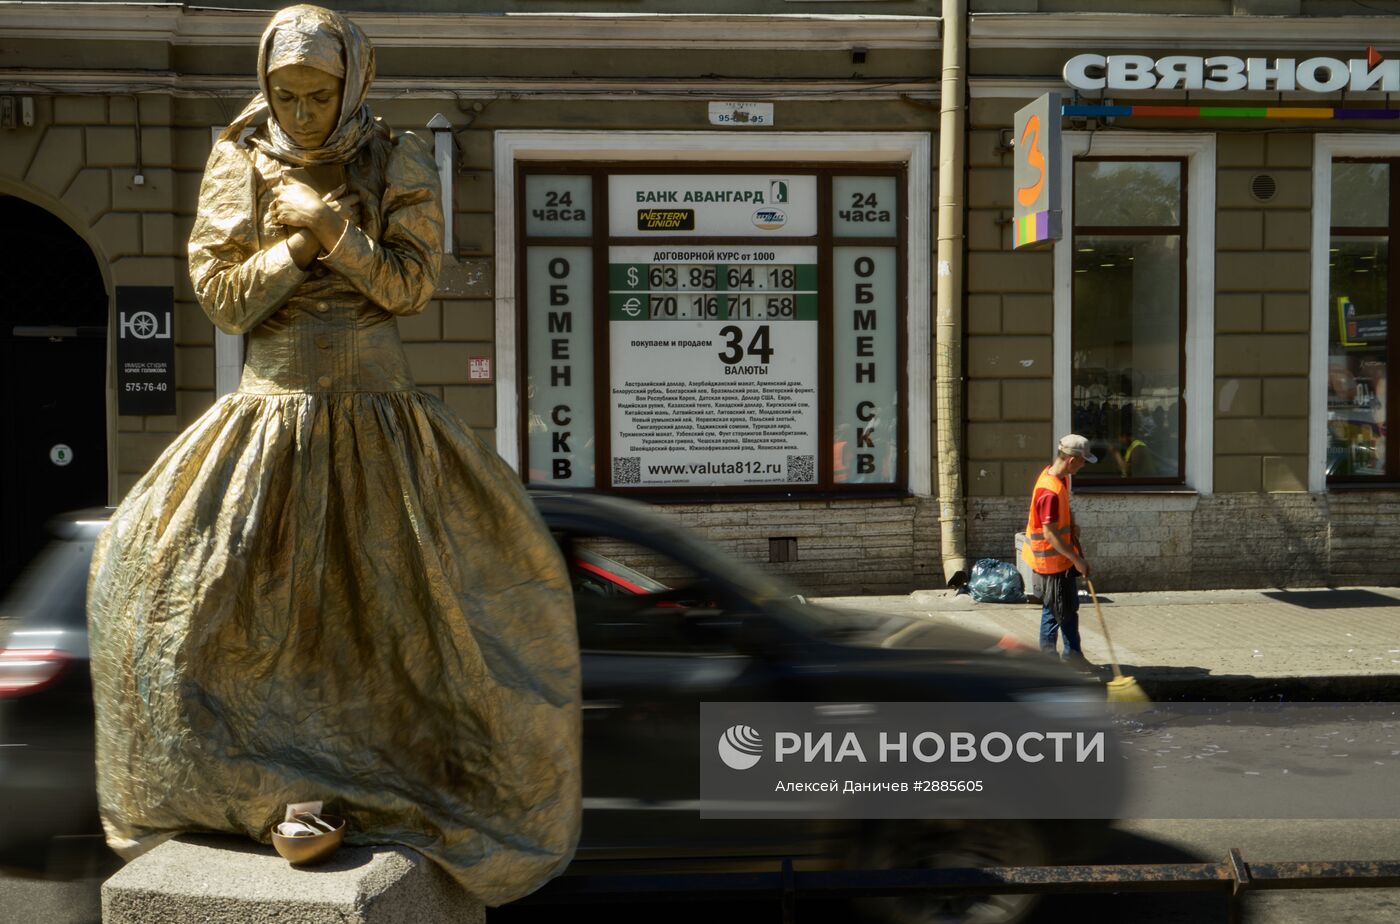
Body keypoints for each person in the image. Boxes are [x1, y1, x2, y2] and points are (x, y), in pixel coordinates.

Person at [87, 6, 580, 906]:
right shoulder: (238, 156)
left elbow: (410, 285)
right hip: (266, 421)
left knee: (404, 617)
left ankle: (372, 785)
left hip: (381, 423)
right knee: (202, 607)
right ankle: (276, 787)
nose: (303, 111)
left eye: (319, 94)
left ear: (354, 82)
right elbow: (224, 302)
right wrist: (295, 242)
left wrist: (337, 226)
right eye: (285, 93)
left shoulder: (395, 156)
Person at [1021, 434, 1095, 666]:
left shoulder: (1058, 478)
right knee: (1055, 613)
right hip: (1051, 563)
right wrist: (1076, 560)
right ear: (1072, 461)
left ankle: (1072, 656)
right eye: (1083, 462)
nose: (1084, 466)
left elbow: (1062, 515)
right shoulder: (1049, 491)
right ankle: (1049, 662)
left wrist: (1072, 524)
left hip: (1058, 561)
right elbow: (1050, 534)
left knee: (1066, 609)